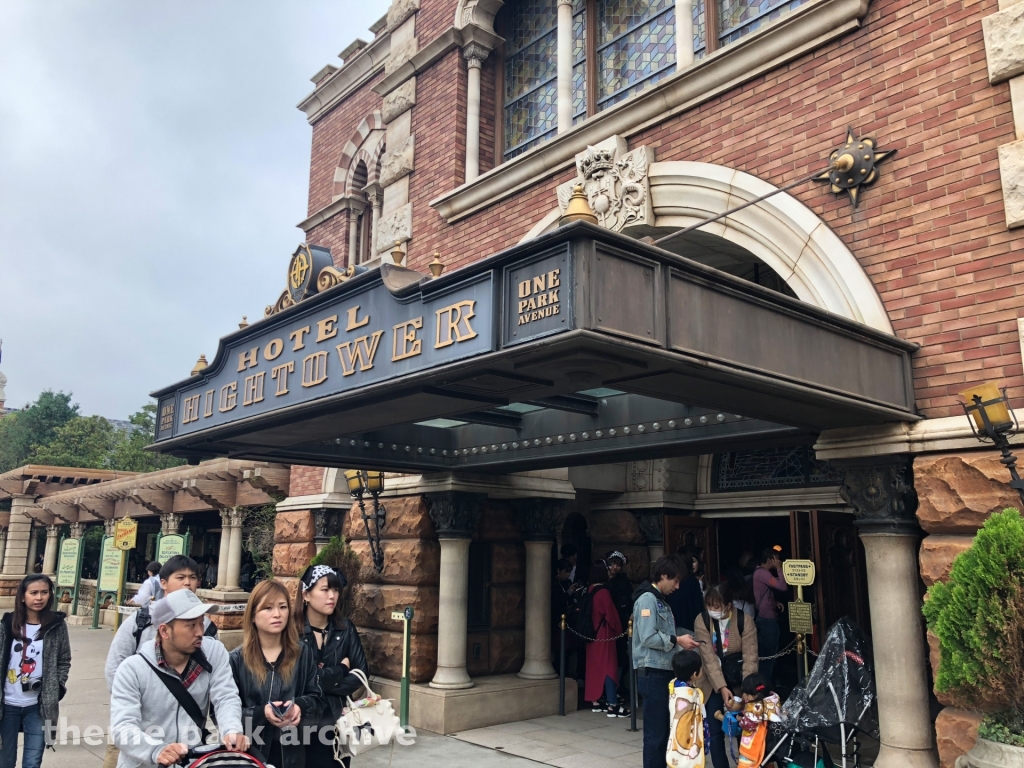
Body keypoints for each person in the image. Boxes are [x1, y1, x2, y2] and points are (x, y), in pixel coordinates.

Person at [104, 556, 218, 768]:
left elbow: (215, 679)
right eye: (180, 577)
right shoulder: (141, 620)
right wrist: (129, 699)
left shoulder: (208, 628)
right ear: (163, 583)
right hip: (138, 725)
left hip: (187, 734)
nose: (187, 583)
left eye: (193, 577)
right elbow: (115, 665)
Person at [109, 591, 247, 768]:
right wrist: (157, 750)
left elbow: (226, 696)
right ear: (165, 631)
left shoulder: (214, 653)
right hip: (145, 763)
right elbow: (123, 728)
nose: (200, 632)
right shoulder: (132, 669)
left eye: (201, 622)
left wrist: (232, 730)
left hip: (191, 761)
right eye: (191, 625)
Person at [230, 579, 322, 768]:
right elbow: (223, 712)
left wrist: (300, 707)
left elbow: (318, 699)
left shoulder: (302, 653)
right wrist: (261, 713)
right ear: (253, 615)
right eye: (268, 608)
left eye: (282, 607)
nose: (277, 614)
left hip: (292, 754)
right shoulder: (237, 659)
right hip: (250, 754)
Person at [631, 557, 701, 768]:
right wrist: (677, 640)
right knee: (655, 735)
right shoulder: (647, 600)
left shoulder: (659, 600)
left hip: (662, 671)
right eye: (675, 581)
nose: (677, 586)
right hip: (652, 673)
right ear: (663, 576)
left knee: (664, 731)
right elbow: (647, 637)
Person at [296, 565, 368, 767]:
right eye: (325, 589)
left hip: (338, 721)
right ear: (306, 595)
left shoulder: (345, 629)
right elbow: (299, 681)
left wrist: (320, 682)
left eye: (335, 590)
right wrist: (341, 670)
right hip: (303, 723)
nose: (332, 596)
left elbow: (361, 673)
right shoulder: (292, 631)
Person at [0, 575, 71, 768]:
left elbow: (64, 659)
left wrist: (57, 687)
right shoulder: (7, 624)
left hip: (38, 706)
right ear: (23, 597)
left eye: (44, 592)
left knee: (33, 761)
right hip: (7, 705)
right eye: (33, 593)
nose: (39, 597)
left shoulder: (56, 625)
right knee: (5, 760)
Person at [694, 584, 758, 768]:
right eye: (709, 606)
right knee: (715, 730)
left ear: (728, 605)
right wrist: (721, 687)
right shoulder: (702, 620)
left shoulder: (744, 620)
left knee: (742, 727)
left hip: (738, 679)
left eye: (716, 606)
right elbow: (708, 657)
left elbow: (750, 657)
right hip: (710, 681)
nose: (712, 610)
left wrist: (748, 690)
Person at [582, 562, 624, 717]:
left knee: (594, 667)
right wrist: (620, 631)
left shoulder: (590, 590)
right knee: (609, 668)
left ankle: (595, 700)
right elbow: (611, 616)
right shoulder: (604, 592)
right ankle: (612, 703)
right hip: (604, 634)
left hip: (591, 633)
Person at [666, 650, 708, 768]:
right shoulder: (688, 694)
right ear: (695, 674)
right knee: (686, 762)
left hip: (676, 736)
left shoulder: (675, 686)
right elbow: (685, 725)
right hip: (687, 739)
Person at [752, 548, 788, 684]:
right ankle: (766, 685)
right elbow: (782, 586)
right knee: (769, 655)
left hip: (765, 617)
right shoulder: (762, 573)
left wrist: (775, 601)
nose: (778, 561)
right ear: (769, 560)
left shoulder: (760, 573)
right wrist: (779, 568)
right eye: (776, 559)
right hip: (767, 620)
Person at [735, 673, 783, 768]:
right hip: (771, 743)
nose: (744, 696)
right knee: (767, 762)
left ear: (756, 694)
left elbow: (747, 725)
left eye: (747, 693)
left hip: (757, 745)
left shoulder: (755, 708)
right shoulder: (772, 702)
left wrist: (739, 719)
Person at [665, 551, 705, 638]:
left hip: (673, 625)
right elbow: (698, 606)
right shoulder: (692, 581)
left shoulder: (671, 581)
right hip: (690, 625)